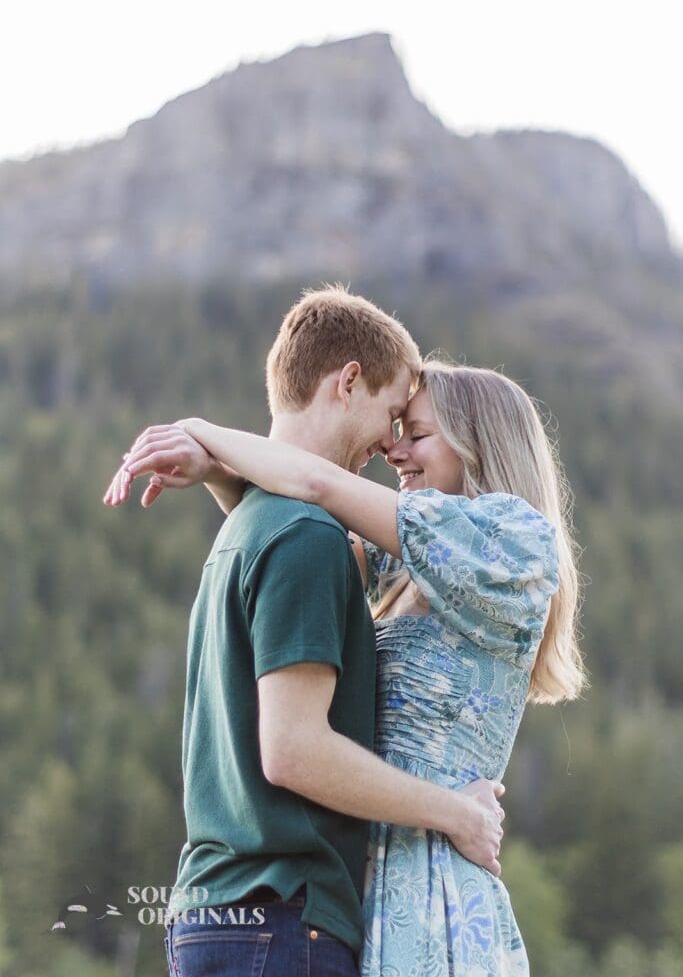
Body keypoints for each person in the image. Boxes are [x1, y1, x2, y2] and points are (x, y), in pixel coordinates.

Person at [111, 356, 585, 976]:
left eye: (417, 434)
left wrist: (201, 431)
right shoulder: (408, 563)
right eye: (397, 432)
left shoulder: (512, 542)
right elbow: (300, 534)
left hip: (430, 880)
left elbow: (316, 486)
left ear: (479, 445)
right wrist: (217, 476)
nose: (394, 451)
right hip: (358, 880)